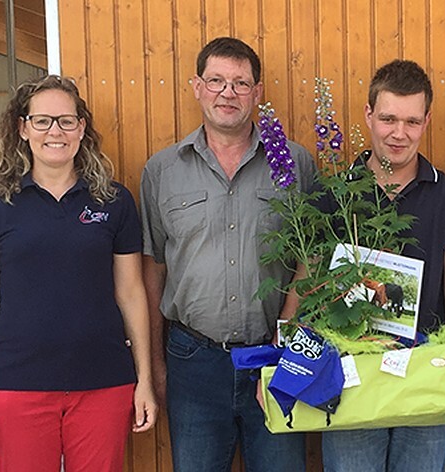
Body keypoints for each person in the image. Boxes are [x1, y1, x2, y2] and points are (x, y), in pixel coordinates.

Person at [0, 75, 157, 472]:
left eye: (66, 121)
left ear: (82, 128)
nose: (55, 131)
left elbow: (132, 293)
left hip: (104, 382)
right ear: (23, 127)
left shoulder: (114, 201)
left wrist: (144, 380)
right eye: (43, 120)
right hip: (17, 385)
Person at [140, 37, 316, 471]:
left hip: (275, 356)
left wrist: (289, 334)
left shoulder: (295, 164)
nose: (228, 92)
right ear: (197, 86)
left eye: (240, 83)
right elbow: (152, 270)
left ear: (257, 93)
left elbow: (310, 259)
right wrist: (155, 365)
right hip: (192, 360)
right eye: (216, 80)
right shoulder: (162, 170)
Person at [317, 60, 445, 472]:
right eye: (388, 118)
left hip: (425, 372)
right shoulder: (333, 192)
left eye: (411, 121)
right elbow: (309, 278)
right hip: (349, 373)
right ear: (369, 115)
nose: (398, 133)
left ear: (426, 121)